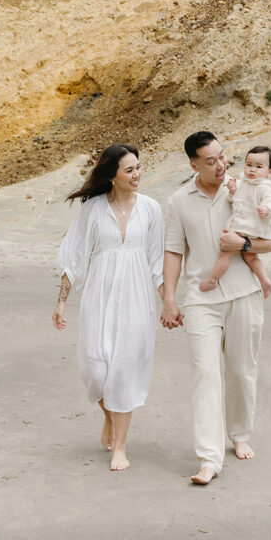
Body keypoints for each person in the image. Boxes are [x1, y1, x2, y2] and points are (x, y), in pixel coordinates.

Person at [160, 131, 271, 485]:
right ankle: (209, 458)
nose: (220, 165)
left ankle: (239, 433)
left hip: (244, 292)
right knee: (205, 374)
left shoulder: (247, 188)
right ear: (193, 164)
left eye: (222, 156)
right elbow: (173, 251)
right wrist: (169, 297)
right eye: (209, 161)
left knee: (242, 371)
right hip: (200, 298)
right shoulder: (179, 201)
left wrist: (242, 241)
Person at [52, 144, 164, 471]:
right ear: (112, 175)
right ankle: (109, 417)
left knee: (124, 370)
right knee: (95, 370)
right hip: (98, 296)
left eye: (138, 168)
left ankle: (121, 447)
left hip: (135, 298)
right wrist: (61, 301)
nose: (137, 174)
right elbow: (75, 256)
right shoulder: (92, 209)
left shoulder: (151, 209)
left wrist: (168, 300)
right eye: (129, 170)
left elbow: (157, 261)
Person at [199, 145, 271, 298]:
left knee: (225, 252)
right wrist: (232, 192)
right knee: (250, 257)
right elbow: (236, 201)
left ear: (270, 172)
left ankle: (213, 279)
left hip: (246, 228)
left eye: (258, 167)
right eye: (249, 165)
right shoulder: (243, 184)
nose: (252, 170)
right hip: (251, 229)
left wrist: (266, 209)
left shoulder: (264, 187)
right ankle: (265, 281)